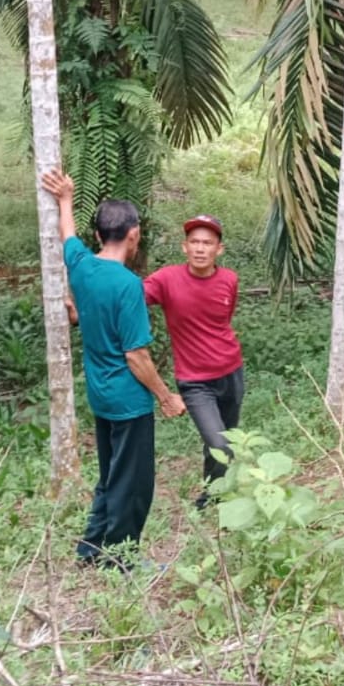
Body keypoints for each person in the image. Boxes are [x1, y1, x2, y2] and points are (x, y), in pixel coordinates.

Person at [40, 169, 185, 569]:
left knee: (110, 474)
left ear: (101, 234)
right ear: (133, 235)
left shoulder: (82, 266)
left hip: (100, 397)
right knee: (133, 484)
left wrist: (66, 199)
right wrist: (166, 396)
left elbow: (67, 236)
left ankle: (91, 548)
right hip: (128, 400)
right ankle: (120, 559)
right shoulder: (127, 286)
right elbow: (137, 357)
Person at [143, 214, 245, 509]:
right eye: (195, 242)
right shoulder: (165, 279)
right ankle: (208, 499)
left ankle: (216, 495)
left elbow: (224, 321)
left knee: (226, 441)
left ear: (219, 250)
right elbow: (130, 298)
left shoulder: (229, 280)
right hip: (194, 381)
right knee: (219, 443)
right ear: (184, 247)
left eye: (208, 243)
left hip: (232, 372)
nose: (201, 248)